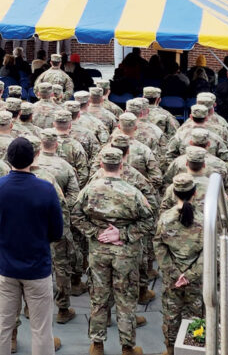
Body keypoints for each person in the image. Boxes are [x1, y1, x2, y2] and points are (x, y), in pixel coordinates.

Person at [71, 146, 155, 355]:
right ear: (121, 165)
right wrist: (122, 234)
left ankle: (97, 344)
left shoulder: (90, 190)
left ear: (101, 165)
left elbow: (76, 215)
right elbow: (149, 220)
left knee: (99, 296)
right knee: (126, 299)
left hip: (99, 251)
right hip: (125, 253)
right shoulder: (132, 192)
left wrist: (96, 232)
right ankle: (127, 347)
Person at [0, 136, 64, 355]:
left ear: (8, 159)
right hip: (37, 269)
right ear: (34, 157)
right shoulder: (46, 189)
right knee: (41, 330)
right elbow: (57, 231)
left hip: (7, 268)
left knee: (2, 328)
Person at [154, 172, 204, 355]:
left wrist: (175, 273)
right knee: (196, 316)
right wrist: (190, 275)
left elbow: (159, 246)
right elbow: (209, 253)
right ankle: (194, 349)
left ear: (174, 194)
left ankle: (170, 350)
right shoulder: (204, 220)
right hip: (196, 280)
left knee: (171, 315)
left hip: (172, 279)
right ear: (195, 193)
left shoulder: (166, 219)